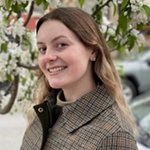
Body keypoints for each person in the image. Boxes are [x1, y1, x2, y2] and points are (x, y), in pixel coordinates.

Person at [20, 7, 138, 150]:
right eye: (43, 49)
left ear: (93, 51)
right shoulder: (43, 111)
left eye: (62, 45)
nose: (48, 57)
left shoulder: (115, 134)